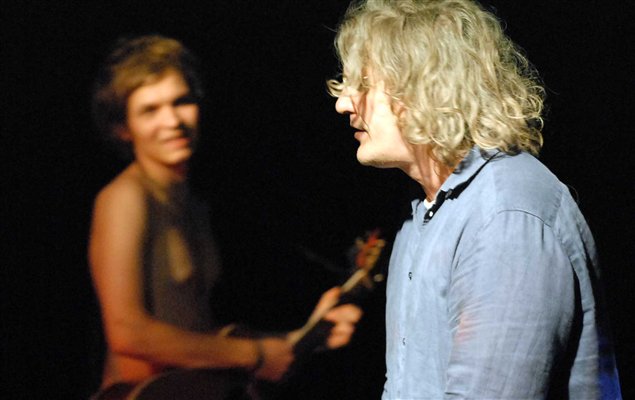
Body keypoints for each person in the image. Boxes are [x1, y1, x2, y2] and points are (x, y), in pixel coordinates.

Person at [328, 0, 622, 398]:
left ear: (425, 85)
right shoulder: (422, 215)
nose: (343, 103)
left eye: (363, 84)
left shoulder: (505, 215)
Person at [88, 35, 362, 395]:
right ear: (123, 128)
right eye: (150, 110)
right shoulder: (125, 198)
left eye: (181, 101)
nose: (172, 120)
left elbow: (198, 334)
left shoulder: (193, 204)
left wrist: (301, 336)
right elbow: (127, 332)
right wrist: (256, 354)